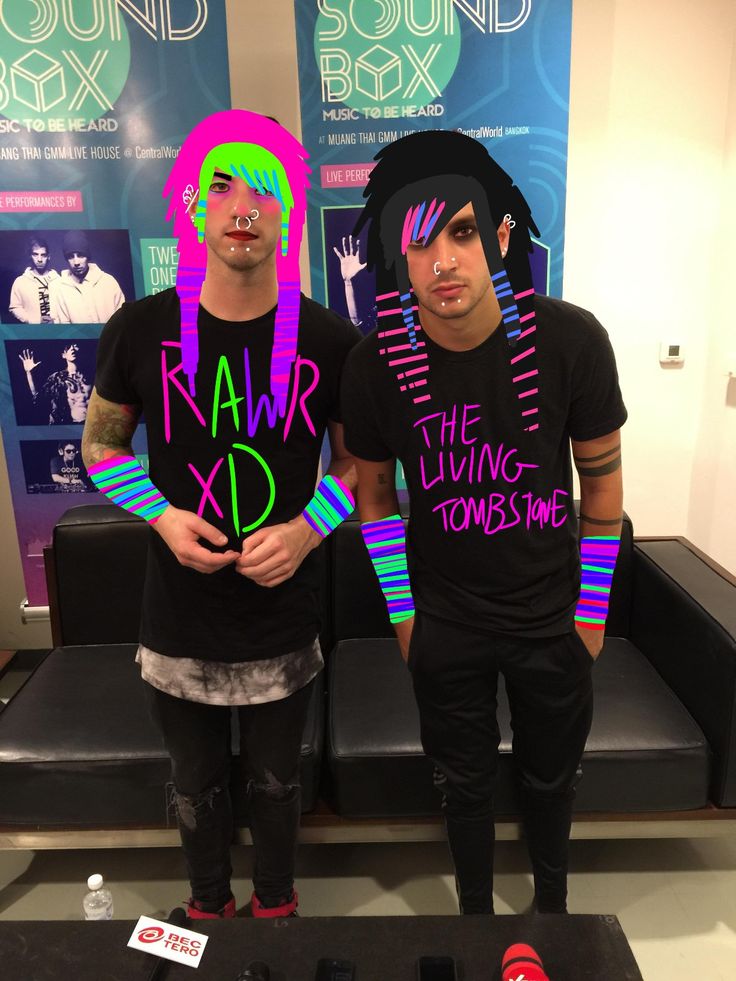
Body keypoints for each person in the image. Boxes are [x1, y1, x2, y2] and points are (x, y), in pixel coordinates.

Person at [81, 110, 359, 920]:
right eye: (221, 183)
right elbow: (101, 449)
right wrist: (162, 515)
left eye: (264, 186)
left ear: (289, 206)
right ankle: (206, 909)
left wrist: (309, 527)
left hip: (281, 616)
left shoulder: (329, 338)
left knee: (276, 785)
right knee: (194, 785)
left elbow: (357, 465)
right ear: (193, 205)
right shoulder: (139, 327)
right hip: (178, 617)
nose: (243, 204)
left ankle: (275, 909)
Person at [341, 130, 627, 915]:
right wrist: (405, 618)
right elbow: (371, 500)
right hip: (445, 622)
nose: (442, 260)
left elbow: (603, 494)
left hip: (551, 618)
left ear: (500, 235)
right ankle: (473, 918)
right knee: (462, 782)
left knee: (550, 775)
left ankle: (553, 911)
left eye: (462, 232)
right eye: (419, 241)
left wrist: (591, 615)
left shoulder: (572, 341)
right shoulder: (373, 366)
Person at [50, 230, 125, 323]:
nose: (76, 262)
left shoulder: (108, 282)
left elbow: (122, 321)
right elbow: (63, 327)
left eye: (80, 255)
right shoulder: (60, 288)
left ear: (88, 256)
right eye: (70, 256)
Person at [19, 342, 92, 424]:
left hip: (90, 426)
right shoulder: (56, 378)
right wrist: (29, 373)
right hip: (67, 426)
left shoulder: (93, 376)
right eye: (68, 347)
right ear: (63, 355)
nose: (72, 348)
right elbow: (39, 399)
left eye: (75, 346)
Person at [9, 236, 59, 323]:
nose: (39, 259)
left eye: (43, 255)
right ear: (30, 256)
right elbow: (15, 307)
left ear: (48, 257)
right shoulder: (20, 282)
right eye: (35, 254)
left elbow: (66, 308)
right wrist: (34, 320)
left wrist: (56, 322)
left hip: (57, 331)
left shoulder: (59, 281)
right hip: (32, 332)